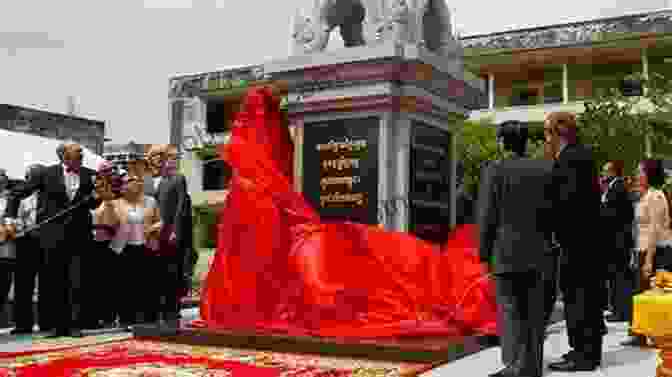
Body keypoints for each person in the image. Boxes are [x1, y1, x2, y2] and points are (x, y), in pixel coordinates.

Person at [195, 87, 498, 338]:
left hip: (300, 247)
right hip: (299, 249)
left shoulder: (255, 172)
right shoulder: (256, 176)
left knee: (392, 263)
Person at [478, 121, 553, 377]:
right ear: (525, 143)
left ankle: (513, 367)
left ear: (502, 142)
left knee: (510, 311)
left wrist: (483, 254)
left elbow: (487, 215)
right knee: (534, 313)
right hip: (540, 252)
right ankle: (531, 368)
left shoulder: (495, 169)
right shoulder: (545, 168)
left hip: (506, 253)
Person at [2, 141, 99, 338]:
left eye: (82, 154)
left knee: (77, 280)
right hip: (52, 237)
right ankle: (57, 326)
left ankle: (74, 325)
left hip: (79, 236)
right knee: (54, 282)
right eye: (77, 154)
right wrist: (10, 217)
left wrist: (99, 196)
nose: (81, 156)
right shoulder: (46, 173)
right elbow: (16, 193)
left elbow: (95, 204)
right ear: (64, 156)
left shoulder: (90, 175)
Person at [544, 112, 604, 372]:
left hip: (576, 242)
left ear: (559, 133)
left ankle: (583, 354)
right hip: (587, 241)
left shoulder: (569, 158)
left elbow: (566, 202)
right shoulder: (584, 154)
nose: (546, 139)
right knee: (586, 298)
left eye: (547, 132)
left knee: (577, 297)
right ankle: (585, 350)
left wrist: (552, 229)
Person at [97, 167, 162, 329]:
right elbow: (106, 222)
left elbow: (160, 220)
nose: (133, 184)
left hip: (144, 247)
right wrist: (107, 204)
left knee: (144, 285)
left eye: (136, 181)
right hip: (122, 248)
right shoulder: (114, 203)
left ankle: (145, 318)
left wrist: (154, 229)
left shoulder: (150, 201)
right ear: (122, 187)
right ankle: (126, 319)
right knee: (124, 286)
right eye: (129, 182)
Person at [621, 158, 672, 346]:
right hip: (643, 249)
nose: (637, 175)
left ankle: (655, 333)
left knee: (652, 293)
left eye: (640, 171)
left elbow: (654, 230)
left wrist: (649, 259)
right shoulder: (646, 195)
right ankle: (640, 332)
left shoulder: (656, 196)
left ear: (649, 174)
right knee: (640, 293)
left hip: (656, 250)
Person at [144, 144, 190, 326]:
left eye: (160, 156)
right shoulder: (145, 180)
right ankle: (153, 311)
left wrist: (175, 231)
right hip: (149, 234)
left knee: (171, 273)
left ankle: (171, 311)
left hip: (168, 233)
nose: (157, 159)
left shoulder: (177, 178)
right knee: (152, 274)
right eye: (154, 156)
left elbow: (181, 207)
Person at [11, 164, 51, 334]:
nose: (28, 180)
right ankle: (23, 323)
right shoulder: (23, 199)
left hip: (47, 243)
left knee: (48, 284)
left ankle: (47, 321)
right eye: (28, 177)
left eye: (32, 177)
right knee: (23, 285)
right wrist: (22, 227)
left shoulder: (52, 199)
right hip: (27, 244)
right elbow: (18, 220)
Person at [600, 161, 635, 323]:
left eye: (606, 170)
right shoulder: (614, 187)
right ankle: (616, 308)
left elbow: (611, 215)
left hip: (617, 241)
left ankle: (620, 311)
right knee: (616, 277)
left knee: (618, 278)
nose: (603, 173)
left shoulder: (617, 188)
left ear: (613, 172)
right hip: (616, 240)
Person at [0, 170, 15, 327]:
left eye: (3, 178)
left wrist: (11, 228)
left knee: (3, 287)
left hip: (7, 251)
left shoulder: (11, 199)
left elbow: (16, 221)